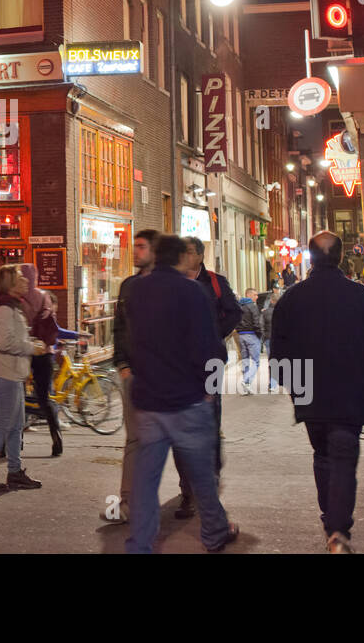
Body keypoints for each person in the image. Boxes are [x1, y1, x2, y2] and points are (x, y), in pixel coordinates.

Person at [270, 230, 364, 553]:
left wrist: (293, 385)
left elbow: (279, 353)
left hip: (311, 394)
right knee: (343, 456)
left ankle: (331, 517)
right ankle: (338, 530)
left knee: (323, 454)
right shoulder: (363, 298)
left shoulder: (291, 300)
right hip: (352, 395)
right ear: (341, 257)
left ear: (310, 259)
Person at [124, 234, 239, 553]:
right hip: (186, 399)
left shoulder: (136, 291)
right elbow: (205, 343)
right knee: (201, 475)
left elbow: (135, 340)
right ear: (179, 259)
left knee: (145, 483)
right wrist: (208, 386)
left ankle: (139, 544)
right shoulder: (192, 291)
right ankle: (215, 531)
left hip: (148, 400)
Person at [174, 235, 240, 519]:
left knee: (210, 419)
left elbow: (235, 312)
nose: (185, 257)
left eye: (189, 252)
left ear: (199, 256)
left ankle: (209, 478)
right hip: (179, 366)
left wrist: (214, 335)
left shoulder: (215, 282)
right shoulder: (173, 283)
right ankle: (187, 489)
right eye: (182, 252)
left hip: (211, 362)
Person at [105, 229, 160, 522]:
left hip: (164, 378)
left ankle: (197, 499)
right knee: (135, 440)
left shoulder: (171, 286)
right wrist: (122, 364)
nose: (135, 252)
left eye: (141, 247)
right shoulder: (128, 286)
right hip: (134, 376)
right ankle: (127, 503)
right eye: (134, 246)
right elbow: (118, 328)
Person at [0, 264, 45, 494]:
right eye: (19, 278)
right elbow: (6, 343)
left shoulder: (12, 307)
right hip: (5, 374)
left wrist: (30, 344)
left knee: (15, 426)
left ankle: (14, 472)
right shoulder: (4, 310)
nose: (25, 281)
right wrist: (32, 348)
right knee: (3, 426)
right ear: (9, 284)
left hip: (13, 373)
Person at [20, 263, 62, 457]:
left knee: (17, 398)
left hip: (23, 350)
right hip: (44, 351)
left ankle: (13, 442)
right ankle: (56, 438)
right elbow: (51, 323)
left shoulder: (17, 298)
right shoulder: (44, 296)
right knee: (45, 397)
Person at [236, 289, 263, 394]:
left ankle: (246, 388)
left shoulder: (238, 306)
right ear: (249, 295)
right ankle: (246, 381)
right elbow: (257, 322)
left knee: (245, 361)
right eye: (255, 295)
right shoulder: (253, 306)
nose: (257, 297)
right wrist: (259, 334)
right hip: (252, 335)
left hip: (241, 336)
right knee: (256, 362)